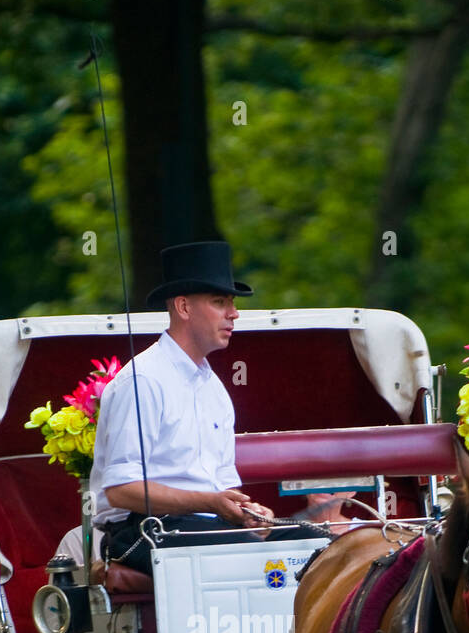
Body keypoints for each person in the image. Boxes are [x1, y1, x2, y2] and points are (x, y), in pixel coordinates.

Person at [87, 240, 322, 574]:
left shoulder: (214, 389)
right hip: (139, 533)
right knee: (256, 558)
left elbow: (223, 487)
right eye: (220, 301)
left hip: (200, 527)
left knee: (318, 544)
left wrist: (248, 512)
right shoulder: (143, 380)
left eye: (231, 303)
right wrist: (211, 503)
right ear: (184, 307)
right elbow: (122, 490)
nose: (234, 313)